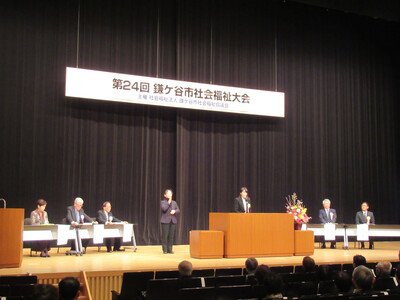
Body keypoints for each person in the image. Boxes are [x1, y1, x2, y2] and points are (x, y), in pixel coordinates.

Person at [160, 189, 180, 254]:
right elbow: (164, 209)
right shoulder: (163, 202)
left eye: (170, 193)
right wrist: (169, 202)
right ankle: (165, 250)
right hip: (165, 221)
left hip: (173, 221)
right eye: (168, 194)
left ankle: (170, 249)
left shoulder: (174, 202)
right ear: (165, 195)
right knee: (165, 236)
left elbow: (178, 210)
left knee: (171, 236)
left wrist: (175, 211)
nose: (169, 195)